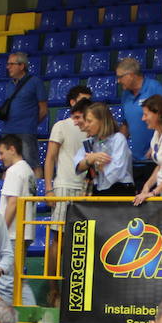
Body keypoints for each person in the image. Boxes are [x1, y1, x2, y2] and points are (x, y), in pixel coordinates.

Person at [0, 134, 37, 307]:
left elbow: (12, 203)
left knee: (6, 280)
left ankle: (29, 316)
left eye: (1, 152)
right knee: (15, 278)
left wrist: (0, 231)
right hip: (24, 232)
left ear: (12, 149)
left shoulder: (14, 171)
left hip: (12, 233)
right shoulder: (28, 170)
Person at [44, 84, 93, 229]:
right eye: (83, 100)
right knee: (59, 234)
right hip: (64, 186)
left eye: (88, 101)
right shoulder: (61, 126)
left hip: (86, 187)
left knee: (81, 237)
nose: (86, 105)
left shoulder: (93, 127)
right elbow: (50, 158)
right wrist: (48, 189)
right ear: (72, 102)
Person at [115, 58, 162, 173]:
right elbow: (125, 124)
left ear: (131, 75)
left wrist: (156, 145)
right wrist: (117, 147)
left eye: (120, 77)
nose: (118, 81)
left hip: (156, 158)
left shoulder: (154, 88)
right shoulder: (125, 95)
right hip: (136, 160)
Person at [0, 52, 46, 171]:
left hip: (26, 131)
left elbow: (43, 110)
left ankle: (35, 189)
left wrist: (30, 124)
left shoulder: (35, 82)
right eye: (7, 64)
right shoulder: (9, 84)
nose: (8, 67)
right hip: (7, 131)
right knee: (7, 167)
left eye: (11, 64)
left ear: (22, 66)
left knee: (32, 164)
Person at [76, 101, 134, 196]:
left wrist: (98, 163)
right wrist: (90, 159)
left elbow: (117, 173)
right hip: (98, 189)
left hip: (120, 190)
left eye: (89, 121)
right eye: (85, 121)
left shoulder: (118, 139)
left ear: (102, 121)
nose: (86, 125)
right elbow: (78, 165)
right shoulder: (90, 142)